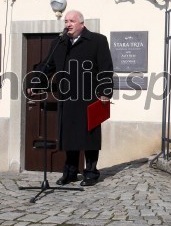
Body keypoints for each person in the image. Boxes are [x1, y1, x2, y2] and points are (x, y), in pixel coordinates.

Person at [28, 10, 114, 187]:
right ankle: (70, 172)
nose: (68, 24)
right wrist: (36, 83)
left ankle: (91, 172)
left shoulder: (97, 41)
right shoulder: (59, 43)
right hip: (67, 98)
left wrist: (105, 92)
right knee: (69, 136)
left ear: (82, 23)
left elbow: (106, 68)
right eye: (66, 21)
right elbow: (48, 66)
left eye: (72, 21)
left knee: (89, 137)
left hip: (90, 97)